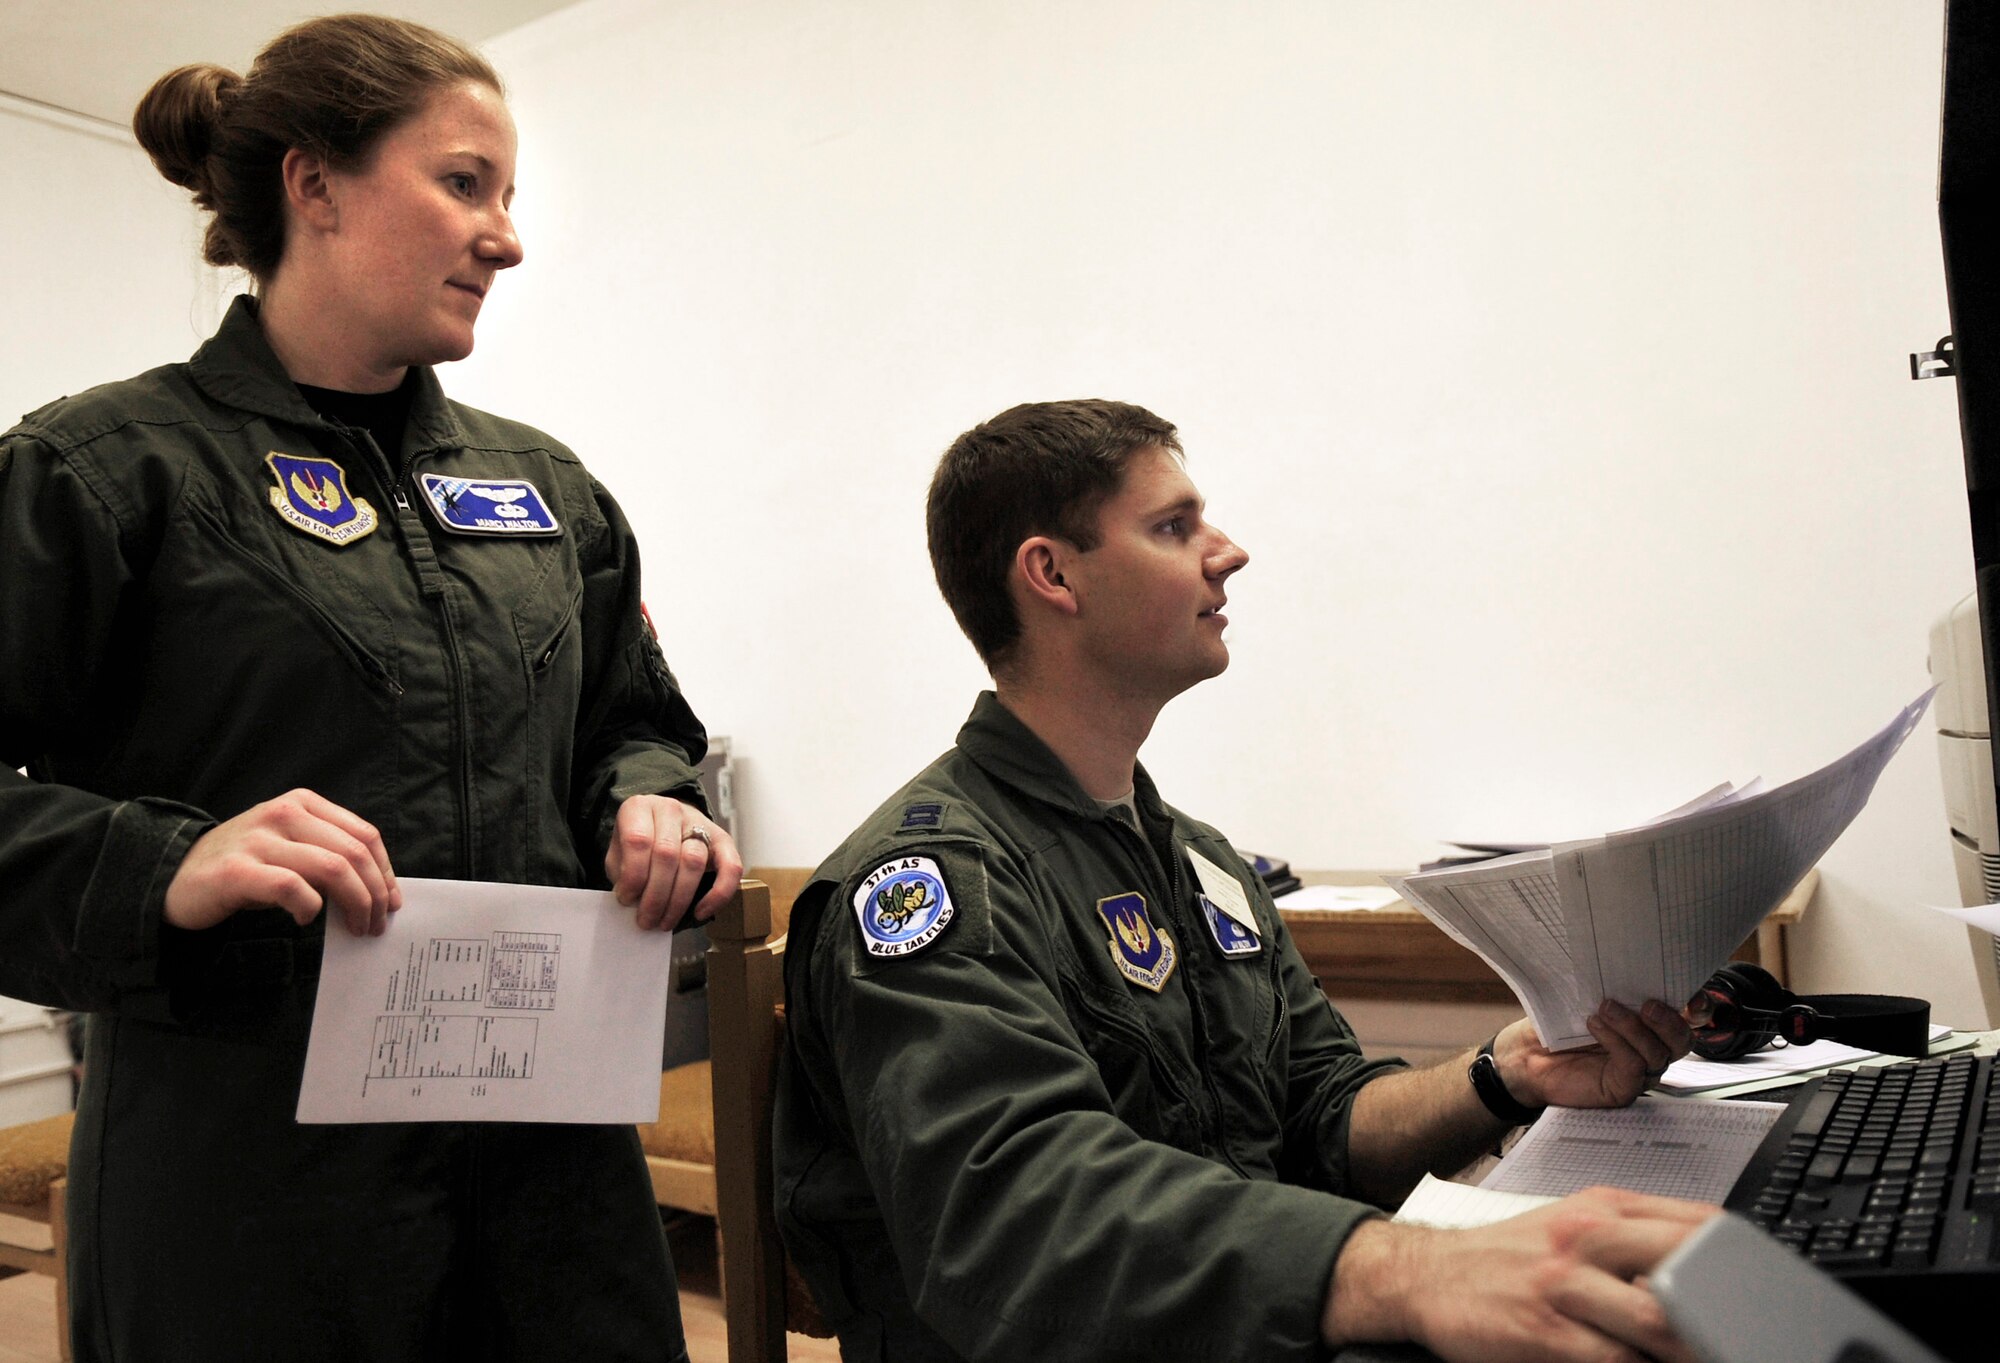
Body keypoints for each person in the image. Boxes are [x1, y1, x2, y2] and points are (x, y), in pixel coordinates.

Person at [0, 15, 739, 1362]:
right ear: (314, 182)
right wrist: (161, 859)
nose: (505, 238)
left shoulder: (548, 493)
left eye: (509, 198)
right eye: (465, 184)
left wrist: (655, 800)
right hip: (249, 1191)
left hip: (551, 1186)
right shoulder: (107, 471)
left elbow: (632, 720)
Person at [773, 399, 1715, 1363]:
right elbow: (1023, 1215)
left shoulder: (1201, 860)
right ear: (1053, 573)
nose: (1227, 552)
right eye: (1173, 526)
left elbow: (1326, 1114)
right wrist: (1416, 1269)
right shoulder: (929, 882)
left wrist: (1502, 1075)